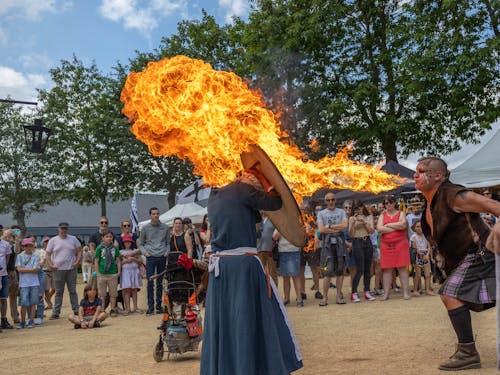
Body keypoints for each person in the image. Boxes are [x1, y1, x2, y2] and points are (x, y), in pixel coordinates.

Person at [200, 169, 303, 375]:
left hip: (222, 269)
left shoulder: (213, 194)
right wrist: (269, 184)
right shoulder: (241, 189)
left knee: (230, 323)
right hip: (242, 268)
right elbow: (275, 203)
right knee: (246, 321)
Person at [414, 156, 500, 371]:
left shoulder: (455, 195)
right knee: (451, 294)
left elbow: (495, 206)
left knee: (450, 293)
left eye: (421, 171)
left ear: (438, 176)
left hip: (481, 253)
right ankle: (467, 351)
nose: (415, 175)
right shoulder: (430, 202)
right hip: (464, 258)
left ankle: (467, 353)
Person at [376, 195, 411, 301]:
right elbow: (379, 229)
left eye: (390, 202)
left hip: (400, 244)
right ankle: (386, 294)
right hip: (386, 245)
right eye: (386, 203)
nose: (388, 205)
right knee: (387, 269)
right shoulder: (382, 215)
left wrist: (388, 225)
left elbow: (403, 225)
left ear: (394, 203)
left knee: (402, 268)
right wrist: (396, 227)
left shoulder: (401, 213)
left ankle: (405, 292)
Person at [45, 222, 82, 319]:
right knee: (58, 292)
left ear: (67, 229)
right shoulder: (53, 240)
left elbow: (79, 251)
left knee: (72, 290)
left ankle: (76, 310)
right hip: (58, 269)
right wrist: (50, 264)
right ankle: (56, 312)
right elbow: (48, 253)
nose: (64, 230)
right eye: (62, 228)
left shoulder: (73, 239)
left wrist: (77, 262)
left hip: (71, 269)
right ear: (58, 229)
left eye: (65, 228)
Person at [317, 192, 348, 306]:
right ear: (325, 201)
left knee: (340, 271)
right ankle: (324, 298)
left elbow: (344, 226)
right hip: (327, 246)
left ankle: (339, 296)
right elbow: (320, 229)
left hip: (340, 245)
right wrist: (336, 229)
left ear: (335, 200)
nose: (331, 202)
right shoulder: (321, 213)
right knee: (327, 272)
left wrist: (329, 227)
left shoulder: (341, 212)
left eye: (333, 200)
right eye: (328, 200)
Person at [138, 207, 170, 315]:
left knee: (160, 283)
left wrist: (167, 252)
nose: (156, 215)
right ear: (150, 215)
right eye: (153, 214)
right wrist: (145, 253)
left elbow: (168, 243)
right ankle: (150, 307)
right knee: (150, 282)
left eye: (157, 213)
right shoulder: (145, 228)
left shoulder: (165, 228)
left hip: (162, 256)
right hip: (150, 257)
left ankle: (159, 306)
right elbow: (141, 244)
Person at [348, 200, 376, 302]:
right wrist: (354, 222)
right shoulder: (351, 218)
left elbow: (371, 231)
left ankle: (367, 291)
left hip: (367, 241)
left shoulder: (368, 217)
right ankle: (354, 292)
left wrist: (364, 222)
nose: (358, 210)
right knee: (360, 269)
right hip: (357, 242)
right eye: (356, 208)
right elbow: (350, 234)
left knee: (368, 269)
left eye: (360, 207)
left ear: (362, 207)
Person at [94, 230, 121, 317]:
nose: (109, 238)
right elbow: (96, 261)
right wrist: (97, 273)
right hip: (102, 274)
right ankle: (102, 310)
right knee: (102, 294)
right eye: (107, 236)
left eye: (110, 236)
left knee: (113, 293)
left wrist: (119, 271)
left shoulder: (115, 248)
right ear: (103, 238)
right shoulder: (99, 248)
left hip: (112, 273)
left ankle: (112, 309)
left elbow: (118, 260)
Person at [273, 229, 303, 307]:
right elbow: (274, 237)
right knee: (285, 277)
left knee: (295, 276)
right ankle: (286, 298)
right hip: (283, 251)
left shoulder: (295, 223)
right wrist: (281, 229)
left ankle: (299, 299)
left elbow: (301, 236)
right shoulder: (280, 224)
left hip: (294, 250)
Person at [15, 237, 40, 329]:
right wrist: (31, 269)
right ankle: (22, 321)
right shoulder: (19, 256)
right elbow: (18, 269)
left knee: (33, 303)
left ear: (33, 246)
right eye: (26, 246)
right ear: (23, 247)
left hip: (34, 283)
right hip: (24, 284)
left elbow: (36, 270)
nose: (28, 247)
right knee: (24, 303)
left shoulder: (36, 256)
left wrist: (24, 269)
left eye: (30, 245)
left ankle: (31, 320)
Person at [410, 220, 435, 297]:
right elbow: (414, 247)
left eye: (420, 226)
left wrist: (428, 255)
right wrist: (420, 254)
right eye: (417, 226)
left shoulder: (426, 236)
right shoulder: (413, 237)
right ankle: (415, 290)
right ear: (414, 228)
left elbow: (429, 246)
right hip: (418, 255)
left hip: (425, 254)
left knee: (427, 274)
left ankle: (427, 289)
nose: (419, 228)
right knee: (418, 274)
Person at [119, 235, 143, 315]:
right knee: (126, 290)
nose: (127, 243)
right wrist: (126, 261)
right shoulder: (121, 252)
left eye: (129, 242)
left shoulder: (135, 251)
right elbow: (119, 263)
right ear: (123, 243)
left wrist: (133, 259)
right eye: (125, 242)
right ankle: (127, 308)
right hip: (126, 272)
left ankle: (136, 307)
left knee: (134, 290)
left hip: (134, 271)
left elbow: (140, 262)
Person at [256, 211, 279, 286]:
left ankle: (274, 292)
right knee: (260, 272)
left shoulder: (273, 219)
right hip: (259, 249)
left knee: (272, 273)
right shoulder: (258, 220)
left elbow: (278, 232)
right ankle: (264, 291)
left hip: (270, 250)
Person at [0, 229, 13, 330]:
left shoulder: (6, 244)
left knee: (4, 299)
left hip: (3, 275)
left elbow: (7, 259)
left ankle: (4, 320)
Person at [41, 236, 55, 310]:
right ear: (42, 243)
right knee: (46, 289)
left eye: (48, 241)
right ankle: (49, 304)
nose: (47, 243)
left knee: (55, 288)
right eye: (45, 241)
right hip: (45, 272)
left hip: (53, 272)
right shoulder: (41, 252)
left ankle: (47, 299)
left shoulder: (53, 251)